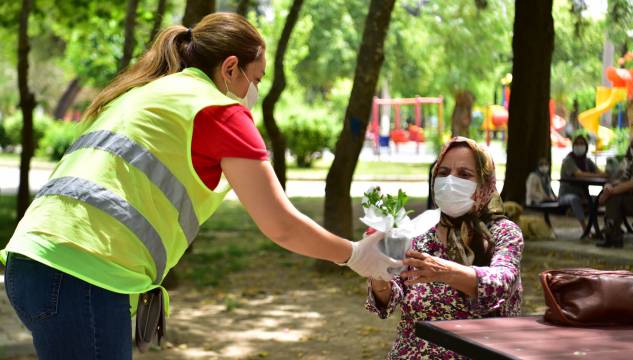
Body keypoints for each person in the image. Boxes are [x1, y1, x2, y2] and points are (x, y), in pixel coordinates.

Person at [0, 13, 400, 359]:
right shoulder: (219, 111)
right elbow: (280, 223)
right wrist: (353, 255)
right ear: (230, 69)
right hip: (81, 274)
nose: (254, 92)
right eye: (255, 78)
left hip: (36, 261)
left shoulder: (147, 92)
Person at [365, 137, 523, 359]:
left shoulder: (503, 233)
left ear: (484, 183)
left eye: (464, 174)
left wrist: (445, 271)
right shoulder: (418, 230)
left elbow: (501, 284)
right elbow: (390, 300)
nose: (450, 181)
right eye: (443, 172)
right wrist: (378, 273)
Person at [598, 134, 633, 248]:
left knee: (615, 198)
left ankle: (612, 234)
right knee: (615, 198)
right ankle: (612, 234)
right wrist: (609, 187)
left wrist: (609, 192)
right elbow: (623, 180)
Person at [558, 134, 604, 235]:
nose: (579, 146)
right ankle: (585, 229)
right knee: (575, 199)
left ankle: (601, 228)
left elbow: (599, 172)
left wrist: (607, 173)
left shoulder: (587, 161)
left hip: (583, 195)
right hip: (566, 195)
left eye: (582, 144)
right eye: (577, 144)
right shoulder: (568, 160)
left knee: (599, 199)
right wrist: (596, 175)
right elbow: (578, 174)